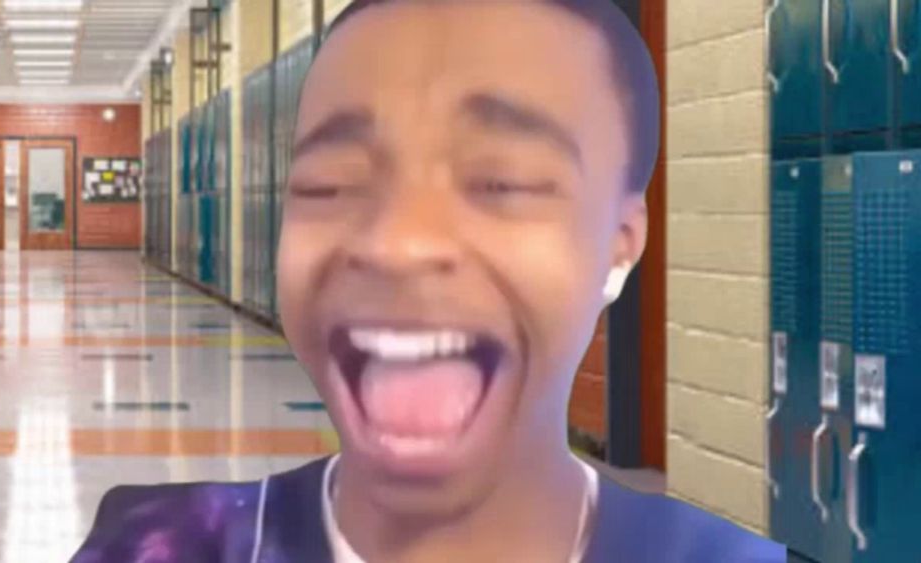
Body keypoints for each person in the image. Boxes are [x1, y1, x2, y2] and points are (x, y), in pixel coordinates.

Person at [72, 0, 786, 561]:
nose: (398, 242)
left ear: (620, 249)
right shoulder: (156, 546)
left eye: (500, 180)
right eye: (330, 184)